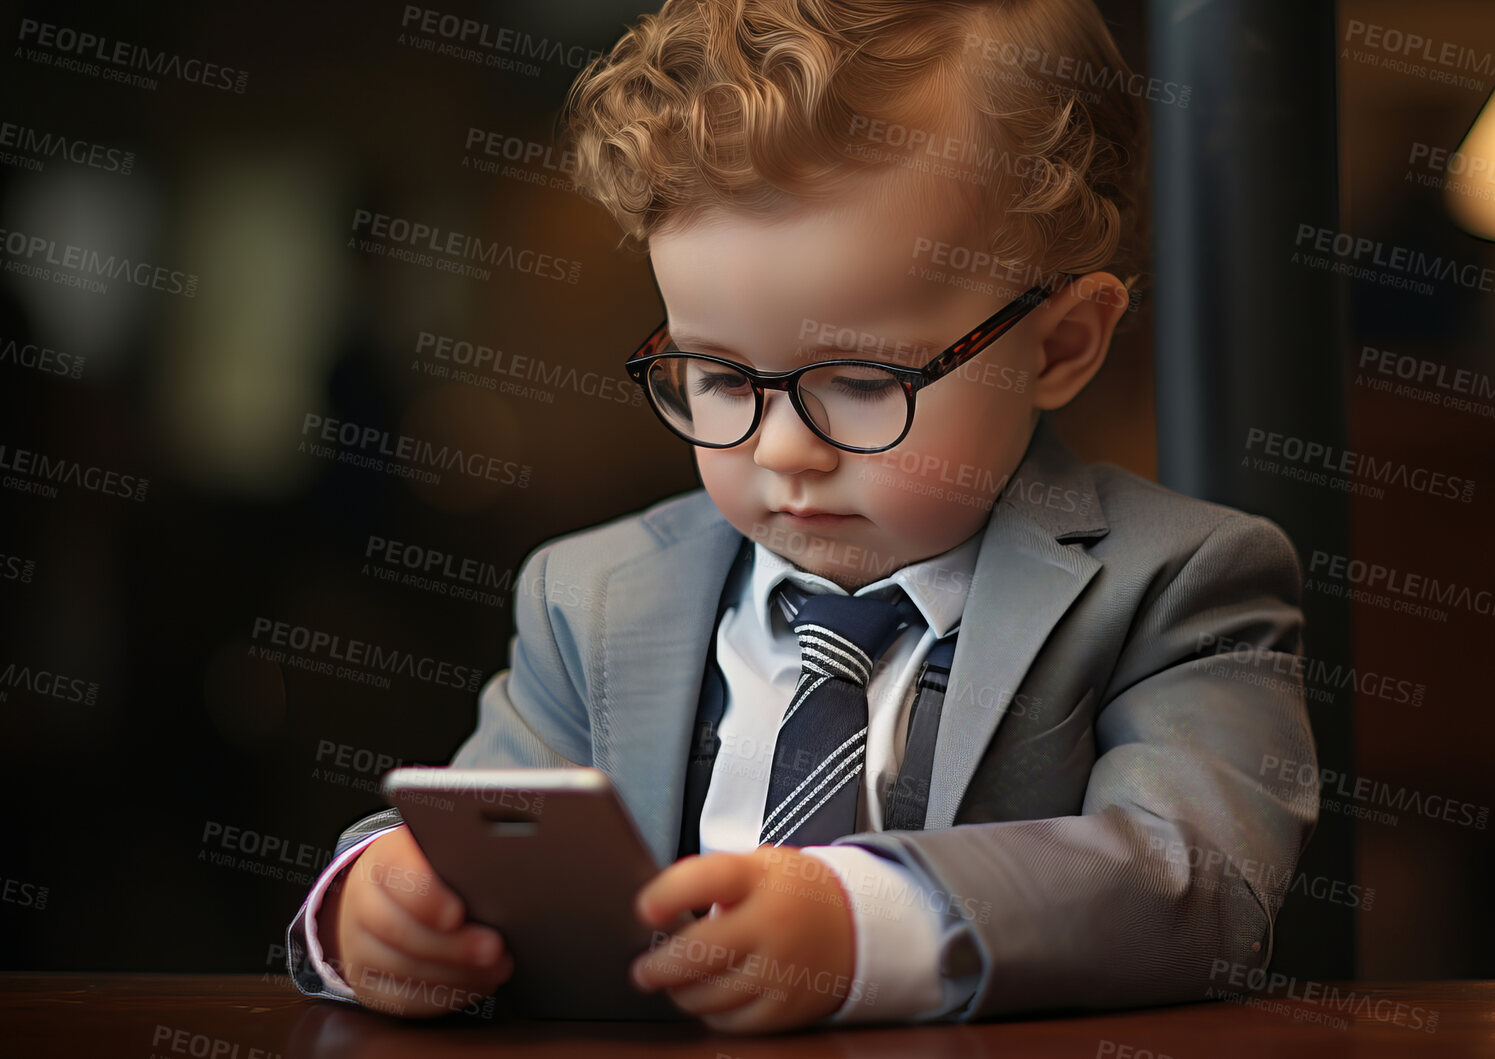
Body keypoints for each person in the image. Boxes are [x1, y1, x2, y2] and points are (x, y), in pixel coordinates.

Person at [283, 0, 1318, 1034]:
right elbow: (484, 834)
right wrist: (385, 905)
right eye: (718, 377)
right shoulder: (591, 595)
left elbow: (1193, 883)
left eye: (864, 379)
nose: (781, 450)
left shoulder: (1177, 584)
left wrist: (861, 924)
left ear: (1057, 345)